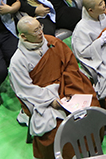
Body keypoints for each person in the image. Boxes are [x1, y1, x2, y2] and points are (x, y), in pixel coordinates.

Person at [8, 15, 99, 159]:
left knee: (92, 110)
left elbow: (70, 64)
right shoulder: (17, 61)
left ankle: (89, 151)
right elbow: (25, 90)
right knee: (56, 132)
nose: (40, 33)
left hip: (67, 86)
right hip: (44, 100)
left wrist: (67, 88)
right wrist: (52, 100)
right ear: (24, 37)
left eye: (40, 28)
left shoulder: (52, 41)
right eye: (35, 31)